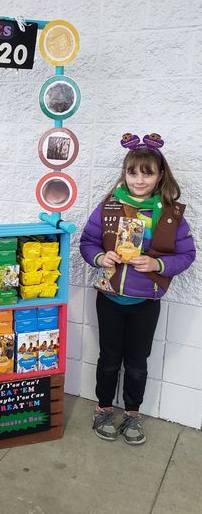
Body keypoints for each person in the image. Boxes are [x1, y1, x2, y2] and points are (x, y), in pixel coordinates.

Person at [80, 133, 195, 445]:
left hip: (146, 300)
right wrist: (101, 256)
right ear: (125, 173)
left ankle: (132, 413)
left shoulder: (170, 215)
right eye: (133, 172)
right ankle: (103, 408)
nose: (139, 179)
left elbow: (186, 255)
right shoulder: (108, 208)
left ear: (160, 176)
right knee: (108, 358)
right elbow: (87, 242)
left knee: (137, 361)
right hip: (110, 298)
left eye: (147, 173)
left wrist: (157, 265)